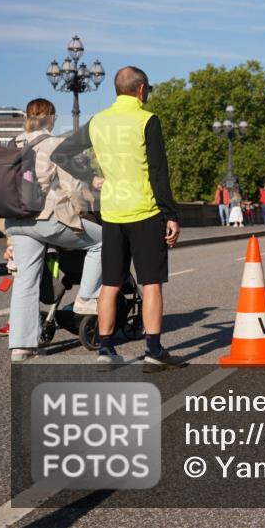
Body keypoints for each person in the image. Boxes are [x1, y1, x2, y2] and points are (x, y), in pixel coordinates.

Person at [52, 66, 184, 371]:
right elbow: (158, 172)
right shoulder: (146, 120)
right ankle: (153, 350)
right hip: (145, 210)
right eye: (147, 89)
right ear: (141, 90)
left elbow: (62, 154)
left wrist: (91, 176)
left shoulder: (98, 121)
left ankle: (106, 350)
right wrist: (171, 215)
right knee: (151, 283)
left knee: (110, 283)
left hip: (111, 213)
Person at [3, 99, 104, 362]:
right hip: (46, 220)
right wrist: (87, 207)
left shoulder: (13, 143)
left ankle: (21, 348)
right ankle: (86, 298)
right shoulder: (55, 144)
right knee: (103, 242)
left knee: (26, 280)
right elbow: (73, 189)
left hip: (16, 222)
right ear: (51, 118)